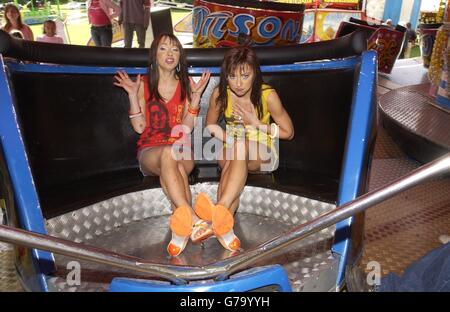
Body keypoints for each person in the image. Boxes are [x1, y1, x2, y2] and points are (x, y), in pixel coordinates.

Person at [113, 33, 211, 256]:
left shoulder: (186, 86)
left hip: (181, 150)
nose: (170, 53)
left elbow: (186, 129)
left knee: (173, 156)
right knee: (169, 157)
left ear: (180, 57)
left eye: (175, 49)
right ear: (154, 55)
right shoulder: (142, 84)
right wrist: (131, 94)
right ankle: (191, 219)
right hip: (151, 151)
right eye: (164, 48)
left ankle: (186, 221)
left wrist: (195, 99)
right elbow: (139, 127)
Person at [195, 46, 294, 252]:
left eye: (245, 76)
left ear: (254, 74)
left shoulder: (268, 95)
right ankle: (223, 228)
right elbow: (210, 125)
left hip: (263, 152)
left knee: (235, 155)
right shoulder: (220, 94)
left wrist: (256, 123)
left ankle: (219, 208)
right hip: (233, 148)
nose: (238, 84)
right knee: (230, 159)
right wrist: (227, 139)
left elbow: (288, 132)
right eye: (232, 76)